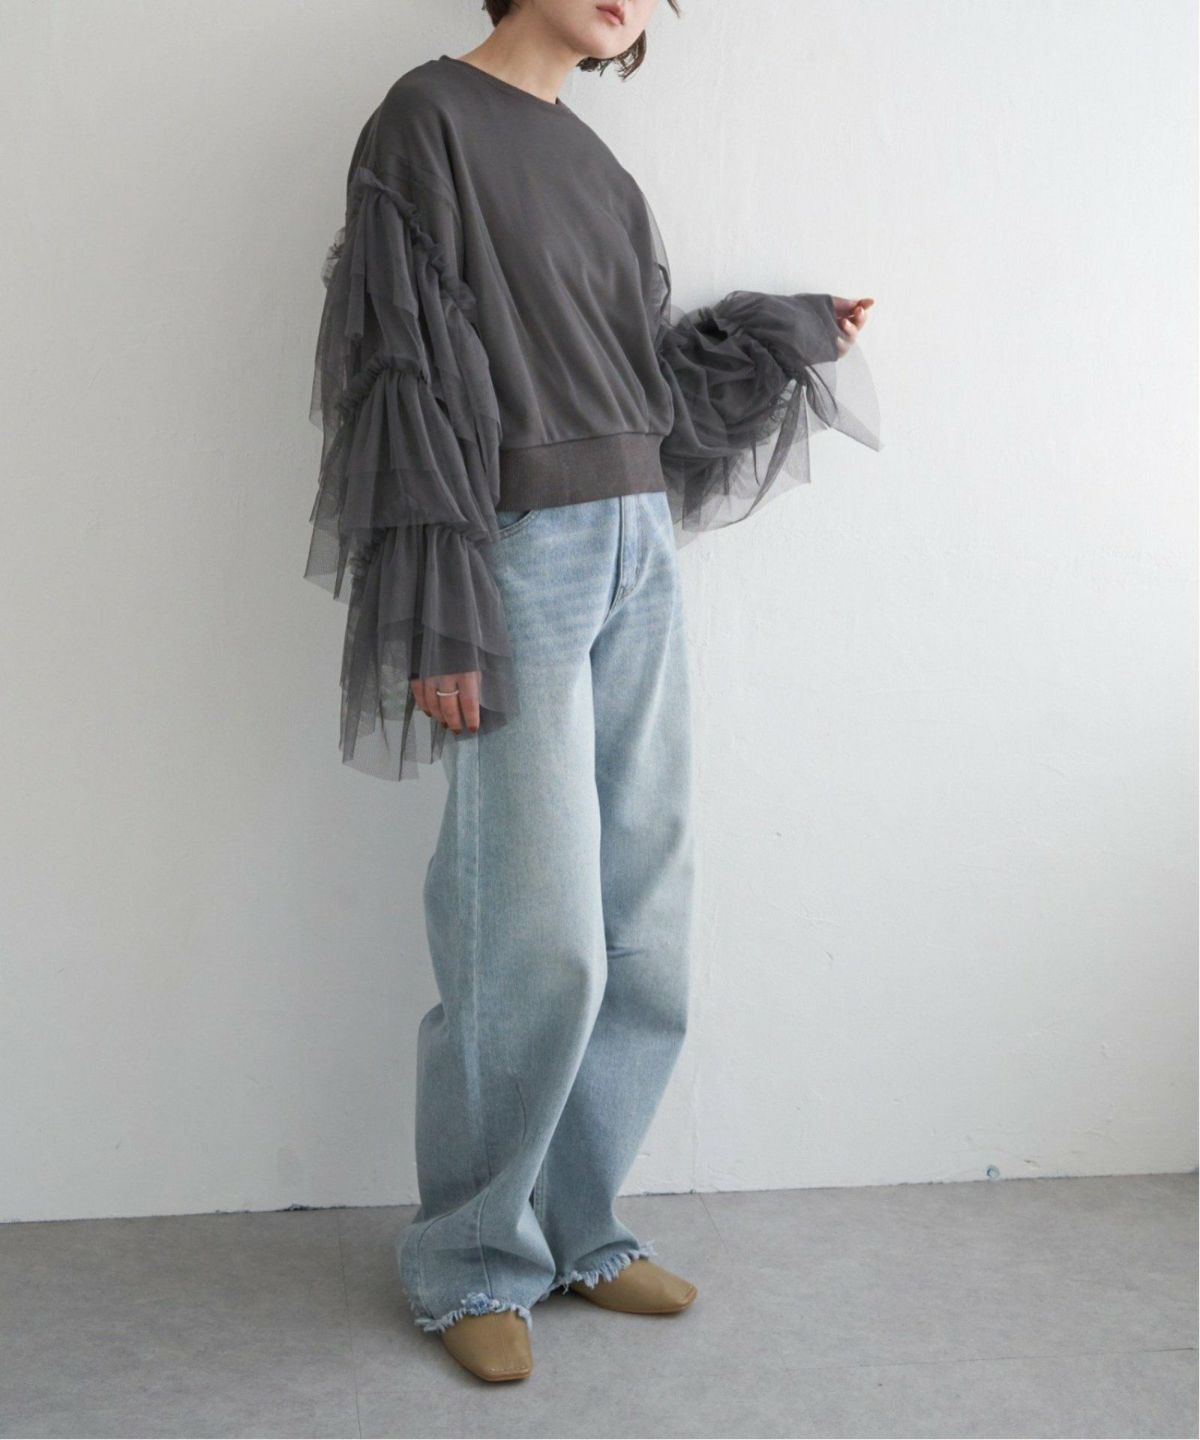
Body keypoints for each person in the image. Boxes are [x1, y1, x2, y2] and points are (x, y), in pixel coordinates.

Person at [303, 0, 879, 1384]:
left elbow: (635, 376)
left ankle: (581, 1229)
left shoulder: (599, 165)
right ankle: (469, 1258)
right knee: (531, 932)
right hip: (516, 560)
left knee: (646, 920)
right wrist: (441, 603)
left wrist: (785, 332)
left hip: (635, 549)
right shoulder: (427, 121)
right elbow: (399, 378)